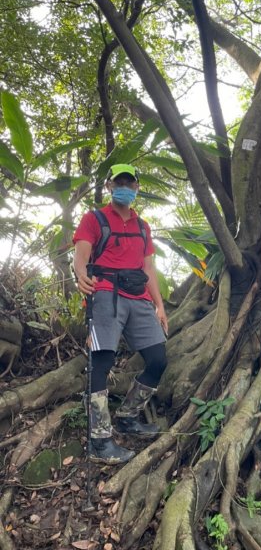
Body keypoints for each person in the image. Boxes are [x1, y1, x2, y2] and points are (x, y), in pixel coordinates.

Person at [73, 163, 168, 465]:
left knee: (158, 358)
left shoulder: (143, 226)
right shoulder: (95, 218)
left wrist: (160, 305)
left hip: (138, 297)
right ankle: (100, 442)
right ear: (111, 187)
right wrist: (80, 276)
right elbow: (81, 255)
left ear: (137, 187)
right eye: (119, 182)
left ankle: (127, 416)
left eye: (130, 182)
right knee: (101, 360)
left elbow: (149, 267)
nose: (125, 187)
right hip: (105, 295)